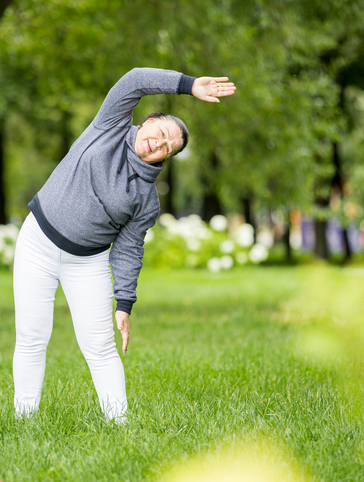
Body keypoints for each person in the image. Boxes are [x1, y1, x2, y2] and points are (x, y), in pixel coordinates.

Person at [12, 68, 236, 421]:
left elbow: (129, 250)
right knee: (31, 335)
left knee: (100, 346)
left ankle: (120, 425)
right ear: (146, 121)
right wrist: (190, 86)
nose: (159, 143)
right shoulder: (111, 126)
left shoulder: (146, 199)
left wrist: (125, 302)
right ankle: (23, 421)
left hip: (87, 263)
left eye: (168, 147)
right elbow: (134, 79)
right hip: (37, 243)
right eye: (161, 133)